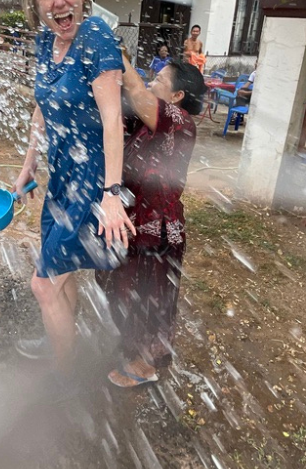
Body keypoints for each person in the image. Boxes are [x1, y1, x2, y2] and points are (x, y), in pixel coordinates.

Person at [12, 0, 134, 368]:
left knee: (43, 285)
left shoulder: (97, 35)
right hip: (62, 177)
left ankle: (63, 373)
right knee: (59, 274)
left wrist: (112, 194)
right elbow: (41, 107)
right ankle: (64, 339)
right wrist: (29, 164)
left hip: (93, 179)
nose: (59, 1)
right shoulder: (45, 41)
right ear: (36, 4)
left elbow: (113, 119)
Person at [96, 56, 206, 387]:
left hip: (157, 228)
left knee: (150, 297)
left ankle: (147, 363)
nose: (150, 83)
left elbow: (136, 89)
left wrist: (113, 50)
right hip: (131, 221)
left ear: (177, 97)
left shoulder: (181, 122)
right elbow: (114, 111)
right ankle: (133, 346)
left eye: (159, 80)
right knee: (121, 288)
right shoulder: (144, 122)